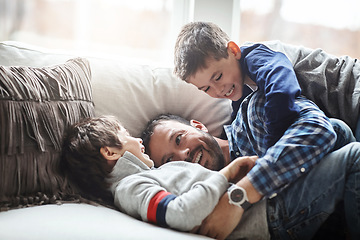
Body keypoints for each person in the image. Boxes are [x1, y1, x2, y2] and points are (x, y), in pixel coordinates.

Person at [141, 93, 359, 239]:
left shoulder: (255, 113)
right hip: (291, 217)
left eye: (179, 139)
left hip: (325, 199)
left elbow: (319, 129)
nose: (183, 155)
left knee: (338, 131)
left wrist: (242, 194)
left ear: (199, 126)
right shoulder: (198, 188)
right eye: (169, 160)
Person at [61, 115, 258, 234]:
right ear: (110, 152)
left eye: (179, 139)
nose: (137, 139)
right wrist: (227, 174)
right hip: (272, 215)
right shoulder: (130, 189)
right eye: (126, 134)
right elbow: (181, 212)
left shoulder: (148, 177)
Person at [173, 21, 360, 142]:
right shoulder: (240, 90)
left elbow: (281, 90)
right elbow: (239, 122)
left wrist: (272, 142)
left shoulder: (257, 56)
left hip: (352, 89)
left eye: (218, 77)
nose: (218, 90)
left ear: (233, 51)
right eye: (206, 88)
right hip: (344, 116)